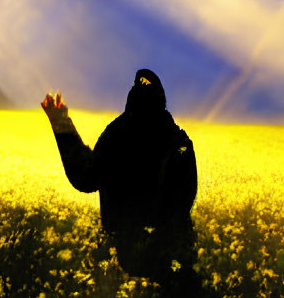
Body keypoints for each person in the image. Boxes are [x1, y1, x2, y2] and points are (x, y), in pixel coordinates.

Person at [41, 69, 196, 279]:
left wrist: (61, 124)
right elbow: (185, 197)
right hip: (174, 256)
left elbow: (86, 177)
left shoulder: (117, 136)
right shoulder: (179, 140)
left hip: (131, 256)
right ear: (162, 100)